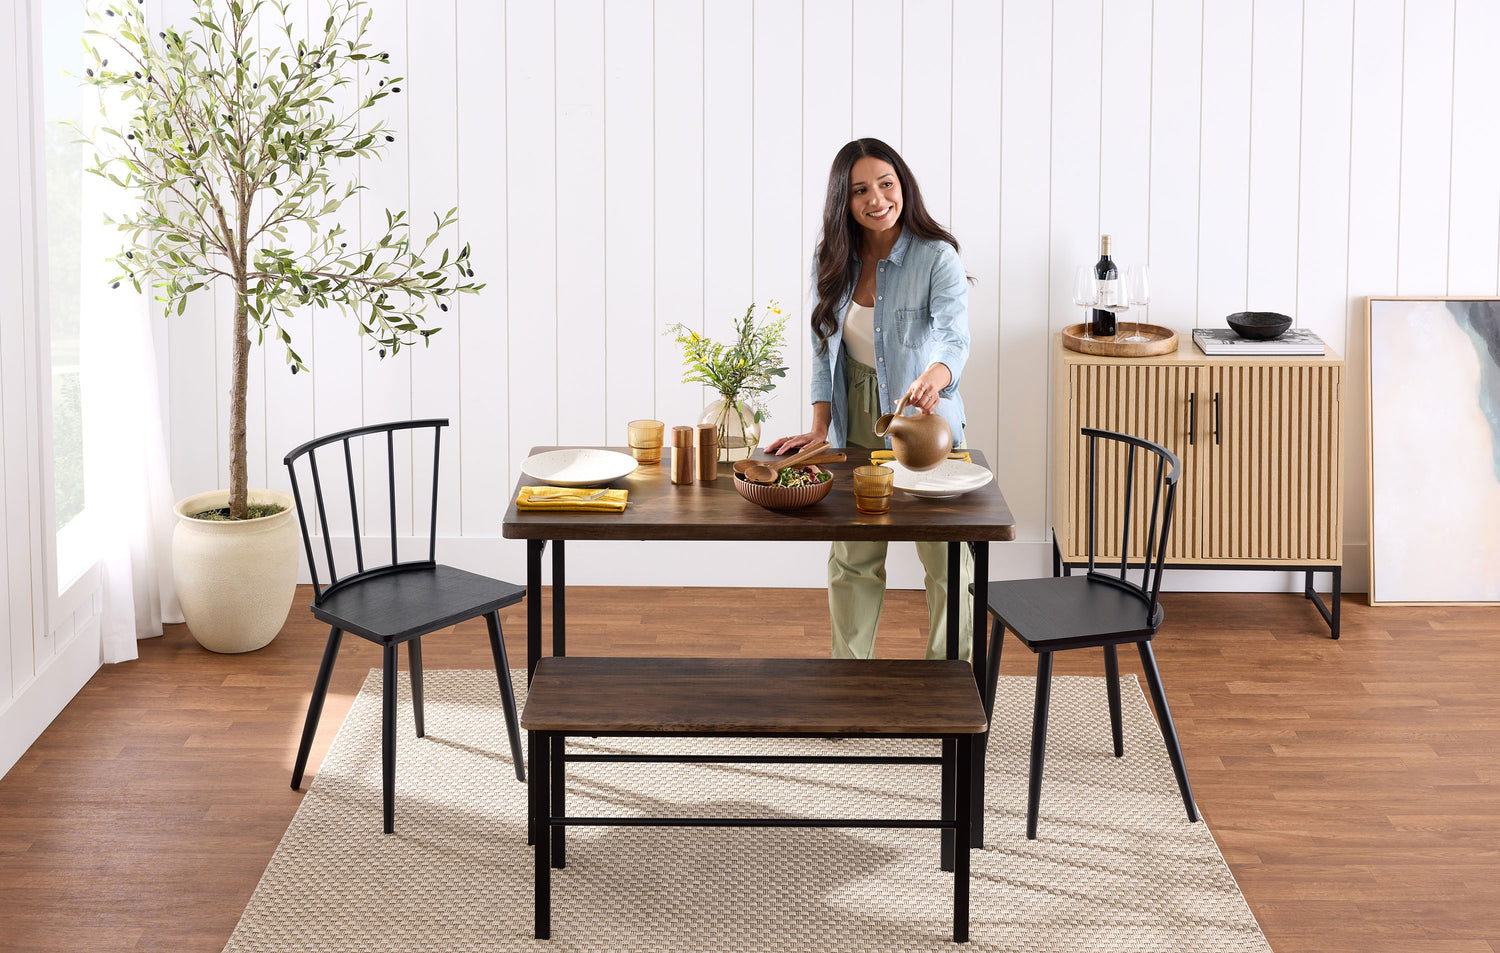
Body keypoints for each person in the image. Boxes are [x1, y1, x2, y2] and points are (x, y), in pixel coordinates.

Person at [766, 137, 974, 662]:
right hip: (853, 423)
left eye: (886, 184)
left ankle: (948, 680)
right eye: (860, 190)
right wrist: (819, 428)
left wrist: (937, 374)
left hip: (922, 422)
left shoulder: (936, 257)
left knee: (947, 561)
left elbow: (954, 336)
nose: (877, 198)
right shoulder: (834, 258)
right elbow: (822, 346)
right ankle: (848, 677)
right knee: (854, 557)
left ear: (903, 184)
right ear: (845, 199)